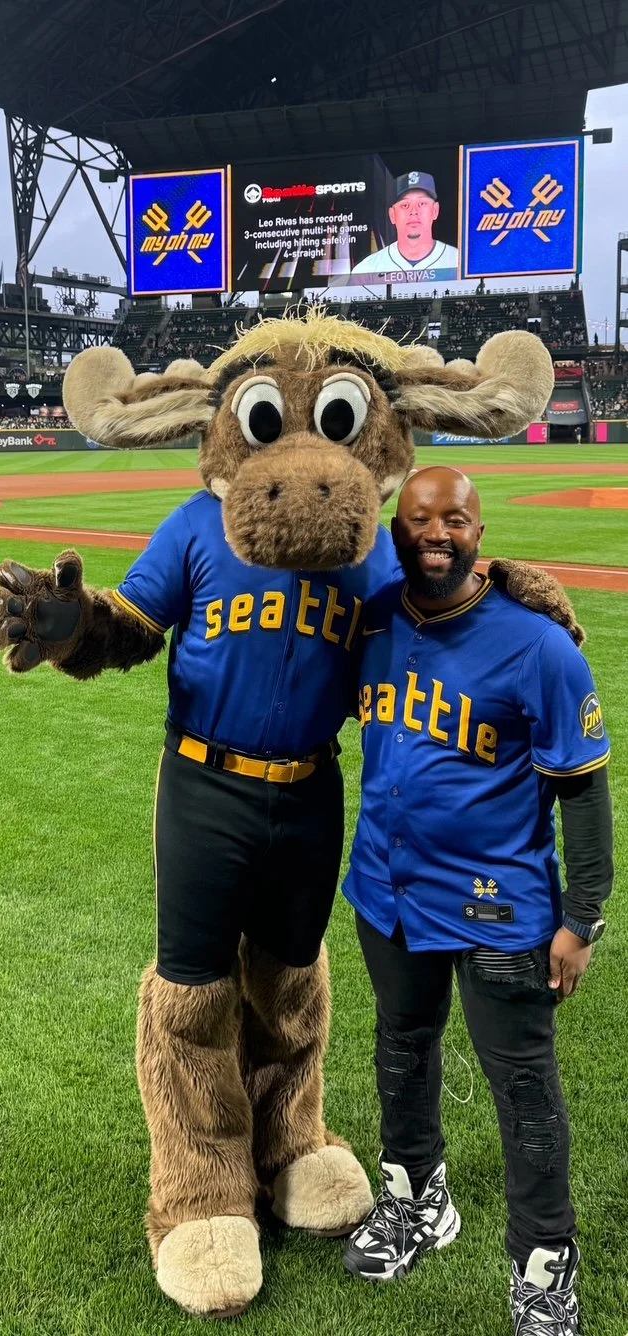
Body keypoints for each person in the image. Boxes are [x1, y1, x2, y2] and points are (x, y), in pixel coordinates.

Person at [342, 467, 613, 1336]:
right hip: (386, 892)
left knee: (524, 1091)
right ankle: (420, 1202)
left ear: (477, 532)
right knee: (402, 1053)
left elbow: (586, 791)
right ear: (397, 530)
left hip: (501, 910)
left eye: (452, 520)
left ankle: (544, 1267)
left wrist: (582, 918)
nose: (434, 534)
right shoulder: (374, 622)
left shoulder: (538, 648)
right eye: (418, 519)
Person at [352, 172, 459, 276]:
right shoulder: (366, 271)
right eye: (405, 205)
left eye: (422, 203)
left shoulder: (459, 262)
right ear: (392, 215)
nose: (414, 211)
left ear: (435, 210)